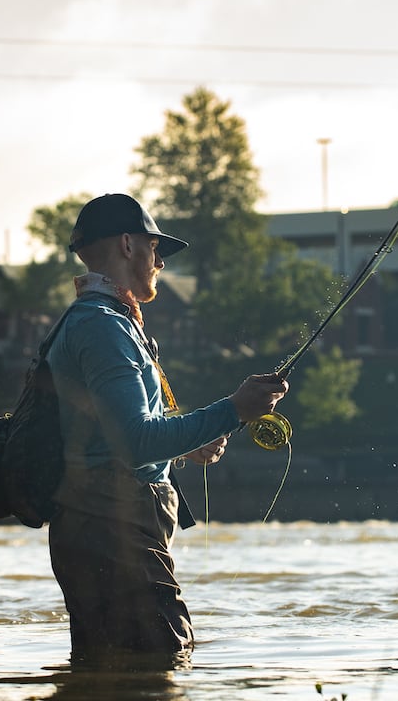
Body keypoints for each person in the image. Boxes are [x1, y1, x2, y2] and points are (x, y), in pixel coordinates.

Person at [46, 192, 289, 670]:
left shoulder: (102, 321)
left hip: (100, 526)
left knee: (109, 674)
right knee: (162, 662)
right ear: (127, 244)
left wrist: (187, 444)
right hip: (115, 532)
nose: (160, 261)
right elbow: (134, 443)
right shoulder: (104, 328)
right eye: (156, 248)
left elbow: (108, 437)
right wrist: (233, 410)